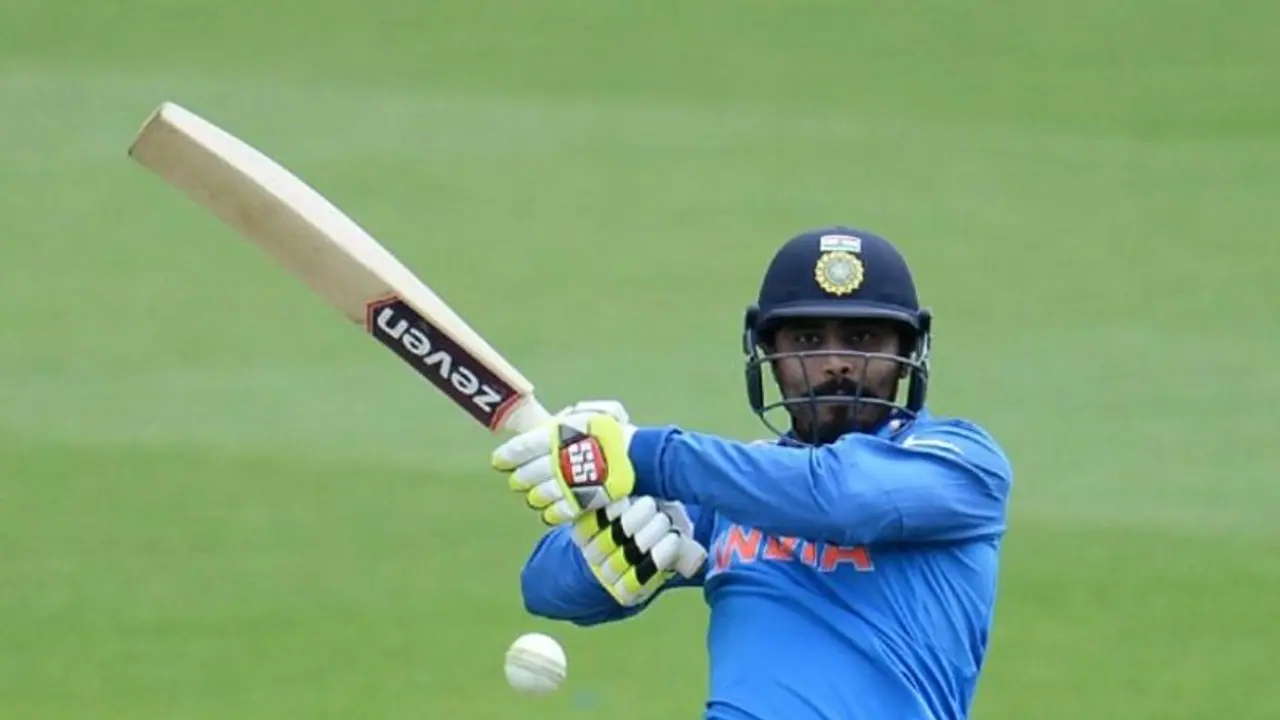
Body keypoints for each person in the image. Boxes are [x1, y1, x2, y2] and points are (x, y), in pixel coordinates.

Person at [489, 226, 1015, 720]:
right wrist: (608, 549)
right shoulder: (736, 490)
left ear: (906, 353)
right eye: (807, 341)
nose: (836, 362)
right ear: (769, 354)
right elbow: (544, 588)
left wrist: (641, 454)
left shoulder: (961, 462)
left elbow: (843, 497)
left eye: (862, 338)